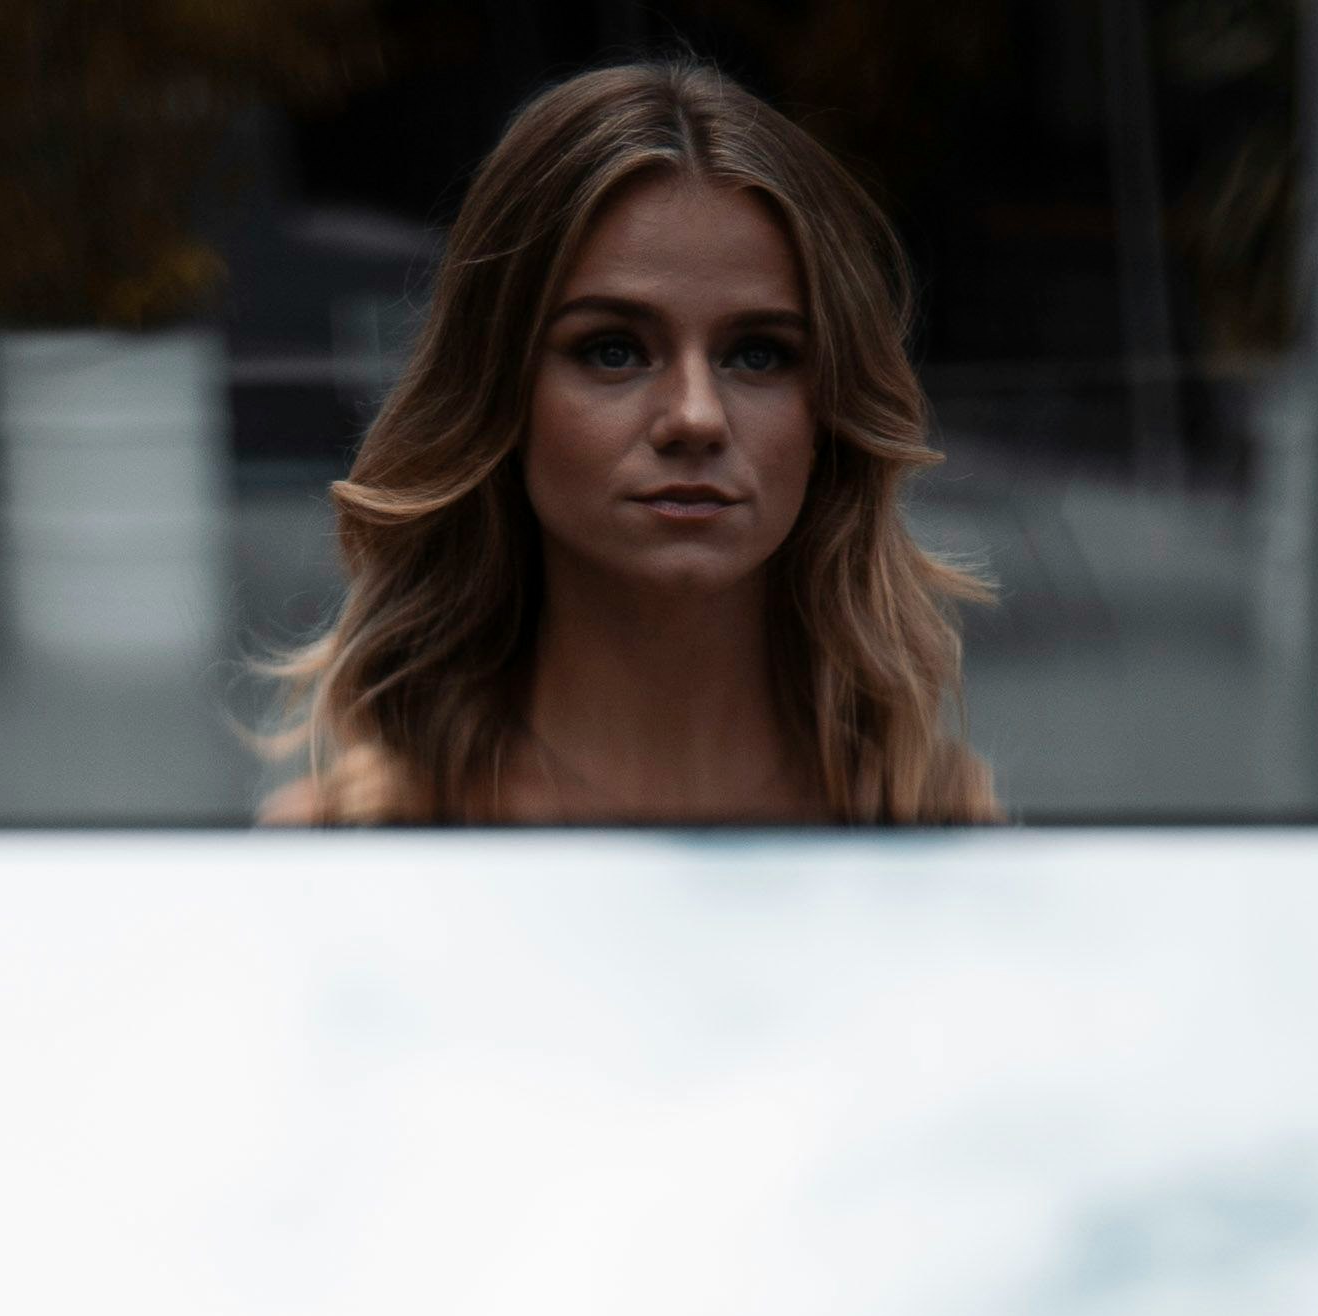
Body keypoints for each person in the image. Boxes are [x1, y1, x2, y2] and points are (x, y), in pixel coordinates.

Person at [258, 62, 998, 826]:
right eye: (612, 350)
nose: (695, 417)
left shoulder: (932, 828)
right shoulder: (355, 846)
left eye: (758, 353)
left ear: (828, 417)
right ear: (500, 394)